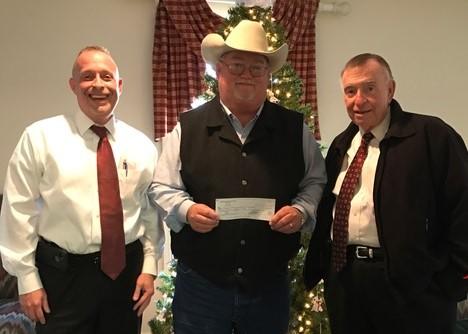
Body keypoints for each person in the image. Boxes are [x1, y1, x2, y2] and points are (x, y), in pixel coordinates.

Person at [150, 20, 326, 334]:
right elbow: (162, 184)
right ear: (219, 70)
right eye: (236, 65)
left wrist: (301, 210)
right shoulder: (187, 127)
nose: (246, 75)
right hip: (201, 286)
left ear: (268, 76)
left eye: (256, 68)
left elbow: (315, 180)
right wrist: (186, 210)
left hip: (268, 285)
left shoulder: (294, 129)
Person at [0, 46, 164, 334]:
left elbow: (149, 211)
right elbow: (18, 208)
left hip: (125, 276)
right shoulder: (40, 138)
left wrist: (150, 267)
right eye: (87, 76)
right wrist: (26, 279)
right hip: (62, 279)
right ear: (73, 85)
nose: (98, 85)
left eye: (106, 77)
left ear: (119, 85)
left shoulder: (141, 146)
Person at [304, 53, 468, 334]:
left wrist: (451, 278)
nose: (359, 100)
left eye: (370, 88)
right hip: (347, 282)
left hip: (412, 289)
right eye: (350, 91)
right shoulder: (341, 146)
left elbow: (463, 206)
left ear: (390, 90)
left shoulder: (430, 136)